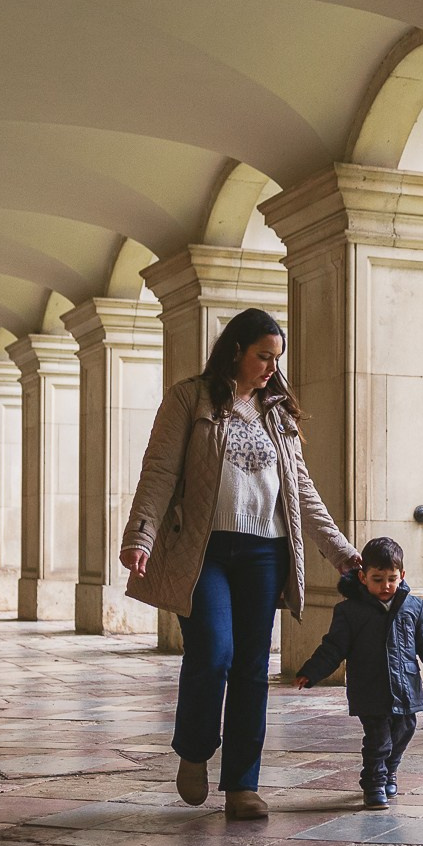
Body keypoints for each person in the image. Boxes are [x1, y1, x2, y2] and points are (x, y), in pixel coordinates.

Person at [119, 309, 359, 820]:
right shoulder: (190, 399)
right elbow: (159, 471)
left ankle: (242, 785)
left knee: (252, 667)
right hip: (203, 550)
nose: (272, 367)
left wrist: (341, 552)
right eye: (263, 355)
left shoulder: (279, 412)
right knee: (213, 651)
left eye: (277, 358)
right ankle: (194, 748)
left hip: (265, 552)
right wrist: (141, 534)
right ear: (236, 350)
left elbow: (302, 492)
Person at [293, 537, 423, 809]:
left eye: (391, 579)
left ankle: (390, 769)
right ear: (363, 577)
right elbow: (333, 647)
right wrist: (312, 672)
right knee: (378, 738)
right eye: (377, 579)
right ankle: (374, 783)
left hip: (404, 685)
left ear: (402, 576)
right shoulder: (350, 611)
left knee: (406, 729)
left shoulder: (413, 607)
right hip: (370, 687)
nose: (385, 586)